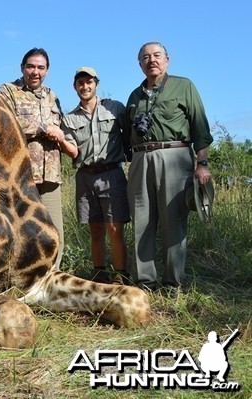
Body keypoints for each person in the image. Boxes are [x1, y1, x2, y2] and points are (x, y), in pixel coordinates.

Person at [124, 42, 213, 292]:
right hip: (141, 159)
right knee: (141, 221)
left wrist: (202, 163)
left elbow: (200, 128)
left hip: (175, 156)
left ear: (167, 59)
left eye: (157, 55)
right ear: (139, 63)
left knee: (174, 221)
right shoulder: (134, 95)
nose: (151, 60)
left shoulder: (184, 86)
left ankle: (173, 283)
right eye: (145, 57)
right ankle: (145, 282)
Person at [0, 48, 77, 268]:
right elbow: (5, 124)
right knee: (19, 229)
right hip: (20, 175)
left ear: (47, 71)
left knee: (54, 231)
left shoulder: (53, 96)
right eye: (31, 66)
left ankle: (53, 277)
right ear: (22, 68)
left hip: (50, 176)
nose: (35, 72)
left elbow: (61, 129)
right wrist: (43, 128)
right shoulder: (8, 91)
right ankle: (18, 279)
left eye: (40, 67)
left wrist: (60, 137)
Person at [63, 67, 130, 285]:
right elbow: (71, 149)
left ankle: (121, 276)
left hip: (112, 174)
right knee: (96, 229)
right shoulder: (70, 118)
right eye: (80, 83)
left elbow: (130, 135)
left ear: (96, 84)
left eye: (89, 82)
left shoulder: (115, 108)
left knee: (114, 228)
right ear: (75, 87)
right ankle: (99, 274)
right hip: (85, 176)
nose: (85, 86)